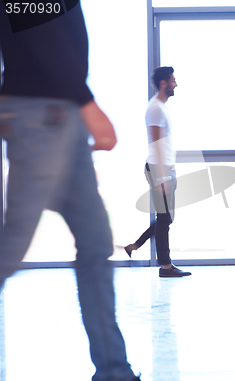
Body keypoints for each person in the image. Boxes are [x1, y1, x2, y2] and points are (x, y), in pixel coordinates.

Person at [0, 3, 140, 381]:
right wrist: (89, 105)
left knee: (96, 246)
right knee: (11, 244)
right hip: (41, 113)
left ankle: (114, 371)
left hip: (61, 115)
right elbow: (35, 26)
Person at [123, 67, 191, 278]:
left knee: (166, 218)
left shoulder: (161, 107)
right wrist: (161, 176)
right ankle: (165, 266)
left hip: (164, 169)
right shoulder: (155, 109)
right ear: (163, 83)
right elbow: (156, 143)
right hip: (157, 170)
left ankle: (135, 246)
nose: (176, 84)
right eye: (173, 80)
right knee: (164, 218)